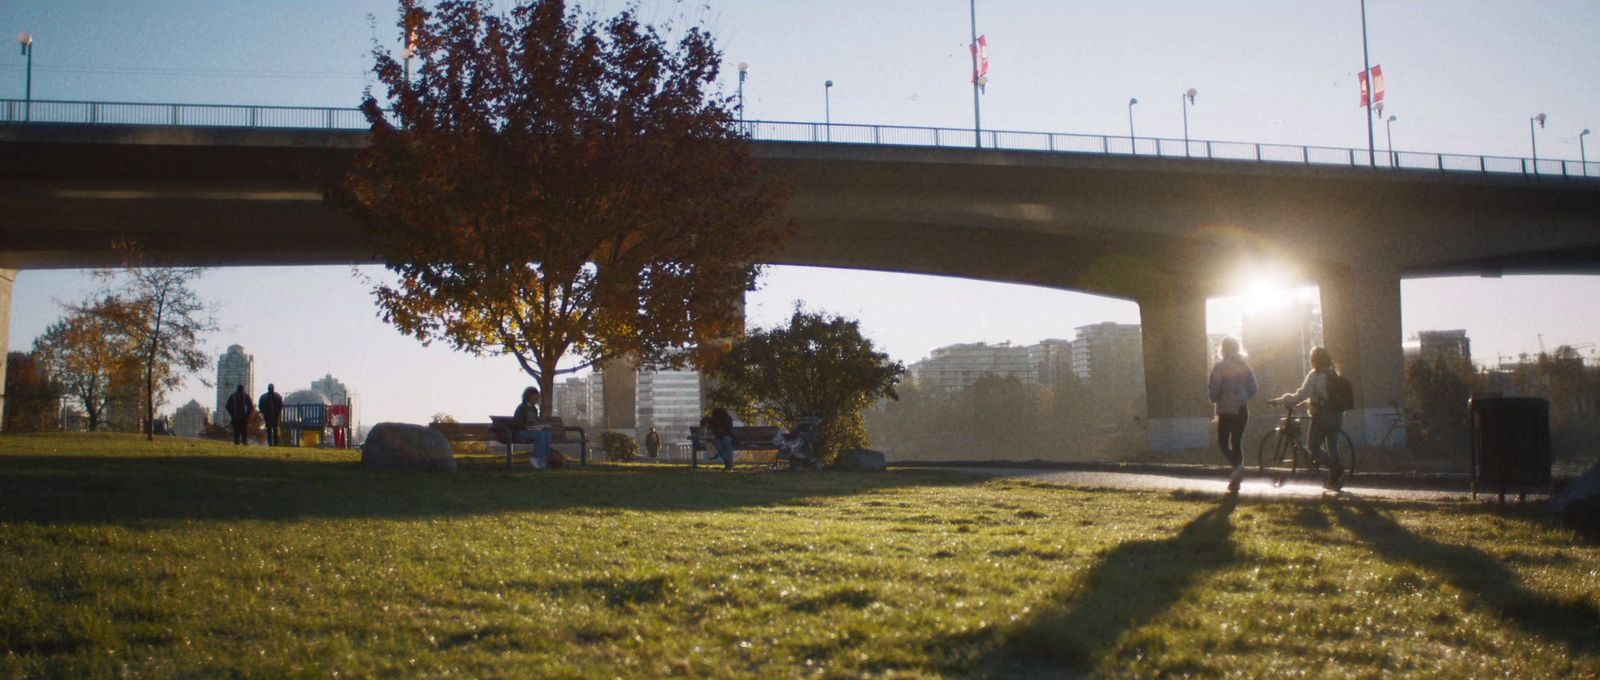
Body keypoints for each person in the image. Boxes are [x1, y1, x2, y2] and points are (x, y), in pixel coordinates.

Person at [1270, 346, 1345, 491]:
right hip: (1337, 415)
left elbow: (1301, 395)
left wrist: (1280, 401)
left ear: (1313, 360)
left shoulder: (1315, 375)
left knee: (1313, 448)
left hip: (1322, 417)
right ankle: (1334, 481)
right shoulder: (1333, 374)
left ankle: (1337, 468)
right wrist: (1308, 404)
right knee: (1332, 448)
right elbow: (1322, 396)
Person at [1208, 336, 1258, 493]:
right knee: (1237, 442)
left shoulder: (1219, 367)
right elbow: (1254, 388)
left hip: (1226, 410)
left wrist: (1215, 398)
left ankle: (1238, 467)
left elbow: (1214, 391)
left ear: (1223, 349)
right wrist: (1243, 398)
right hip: (1242, 409)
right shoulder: (1244, 366)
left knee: (1223, 442)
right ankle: (1236, 479)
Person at [512, 386, 553, 469]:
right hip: (520, 432)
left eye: (537, 399)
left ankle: (545, 459)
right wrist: (530, 426)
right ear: (528, 397)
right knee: (540, 435)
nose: (536, 401)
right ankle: (536, 458)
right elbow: (518, 423)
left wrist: (539, 425)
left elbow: (534, 421)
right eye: (534, 399)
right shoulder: (522, 408)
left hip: (531, 430)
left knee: (547, 434)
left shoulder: (534, 409)